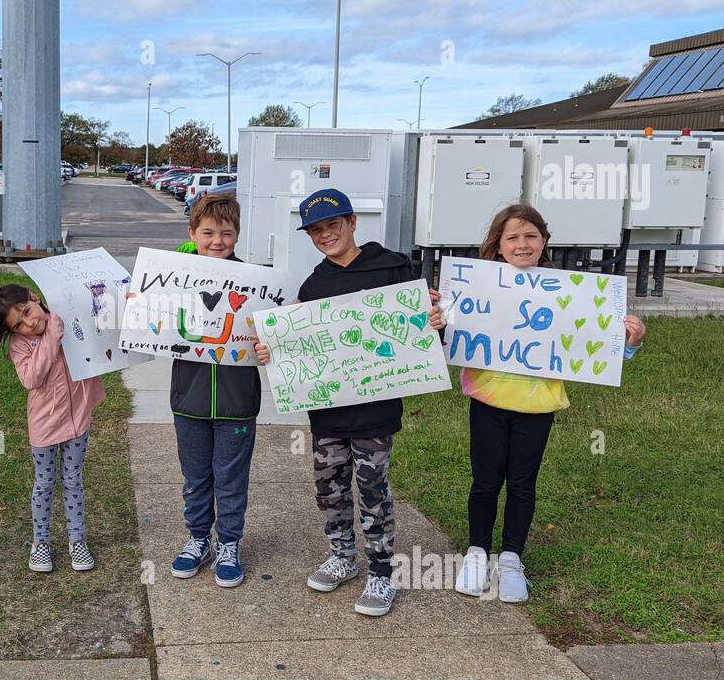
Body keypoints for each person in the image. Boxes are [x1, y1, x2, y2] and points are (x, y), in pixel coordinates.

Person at [254, 189, 443, 616]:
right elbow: (296, 344)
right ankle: (342, 555)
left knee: (372, 488)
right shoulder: (314, 284)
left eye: (333, 225)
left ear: (352, 222)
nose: (325, 235)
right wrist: (274, 351)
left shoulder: (394, 268)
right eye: (315, 230)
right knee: (329, 487)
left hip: (375, 409)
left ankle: (380, 571)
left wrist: (434, 322)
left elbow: (422, 331)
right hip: (326, 411)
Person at [445, 205, 646, 602]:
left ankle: (512, 558)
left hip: (538, 406)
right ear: (498, 246)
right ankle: (477, 552)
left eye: (530, 236)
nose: (522, 244)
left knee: (523, 483)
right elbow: (447, 332)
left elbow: (597, 348)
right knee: (485, 481)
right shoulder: (474, 286)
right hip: (488, 400)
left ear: (544, 242)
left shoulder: (569, 291)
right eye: (512, 237)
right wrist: (438, 314)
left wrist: (629, 343)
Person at [166, 193, 261, 588]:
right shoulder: (171, 277)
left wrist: (269, 341)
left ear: (238, 236)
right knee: (195, 477)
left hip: (238, 403)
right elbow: (149, 323)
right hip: (189, 400)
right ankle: (198, 538)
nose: (217, 241)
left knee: (231, 478)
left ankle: (229, 543)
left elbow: (272, 332)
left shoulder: (256, 282)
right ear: (193, 233)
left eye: (226, 233)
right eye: (207, 233)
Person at [0, 285, 105, 573]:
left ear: (35, 298)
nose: (29, 324)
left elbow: (96, 338)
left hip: (77, 419)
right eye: (18, 324)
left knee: (73, 479)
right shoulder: (21, 344)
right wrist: (51, 336)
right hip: (44, 425)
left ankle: (77, 539)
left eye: (27, 312)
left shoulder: (67, 318)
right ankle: (40, 543)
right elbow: (32, 378)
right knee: (44, 483)